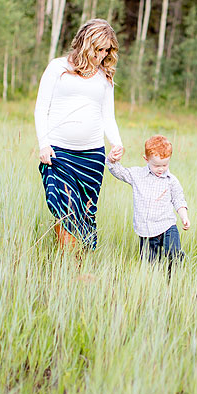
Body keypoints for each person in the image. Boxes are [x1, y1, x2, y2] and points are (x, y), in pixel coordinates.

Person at [34, 18, 124, 250]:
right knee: (64, 207)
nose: (103, 55)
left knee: (84, 214)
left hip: (92, 156)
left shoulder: (104, 76)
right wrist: (44, 144)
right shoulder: (58, 67)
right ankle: (66, 261)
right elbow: (41, 108)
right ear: (85, 44)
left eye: (107, 50)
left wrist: (116, 143)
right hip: (59, 152)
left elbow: (108, 116)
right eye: (98, 49)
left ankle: (76, 266)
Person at [106, 134, 190, 275]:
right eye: (156, 165)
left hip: (167, 226)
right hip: (146, 230)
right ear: (146, 159)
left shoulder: (171, 180)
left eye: (165, 165)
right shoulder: (137, 175)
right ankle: (154, 284)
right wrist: (111, 161)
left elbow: (179, 200)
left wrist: (184, 217)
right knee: (151, 266)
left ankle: (173, 279)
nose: (161, 169)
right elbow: (119, 172)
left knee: (174, 253)